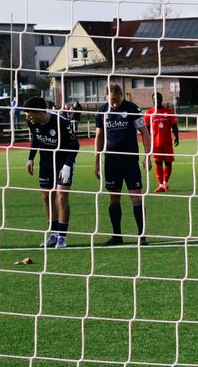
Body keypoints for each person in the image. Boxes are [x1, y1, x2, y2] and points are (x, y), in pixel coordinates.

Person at [94, 82, 149, 245]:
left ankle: (142, 236)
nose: (114, 104)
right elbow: (99, 137)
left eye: (117, 101)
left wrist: (148, 156)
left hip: (130, 161)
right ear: (105, 97)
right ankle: (117, 236)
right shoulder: (102, 112)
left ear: (121, 96)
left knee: (136, 197)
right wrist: (97, 161)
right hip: (111, 161)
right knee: (114, 199)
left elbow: (144, 132)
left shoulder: (132, 108)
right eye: (111, 101)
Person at [24, 95, 81, 247]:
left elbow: (75, 145)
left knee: (61, 197)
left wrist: (68, 165)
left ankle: (62, 237)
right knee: (47, 197)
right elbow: (36, 137)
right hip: (46, 163)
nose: (28, 118)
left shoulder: (61, 122)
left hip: (63, 163)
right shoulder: (32, 122)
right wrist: (31, 158)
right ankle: (53, 234)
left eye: (30, 115)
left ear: (39, 112)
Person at [145, 92, 181, 192]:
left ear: (162, 99)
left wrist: (177, 137)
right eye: (154, 98)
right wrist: (147, 141)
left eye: (158, 98)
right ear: (152, 100)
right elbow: (146, 130)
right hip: (155, 143)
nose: (157, 100)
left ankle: (165, 183)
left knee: (168, 163)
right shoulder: (149, 113)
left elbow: (174, 125)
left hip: (167, 142)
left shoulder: (169, 112)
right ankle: (160, 185)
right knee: (158, 163)